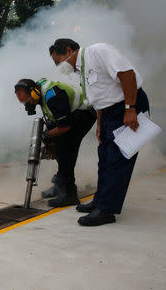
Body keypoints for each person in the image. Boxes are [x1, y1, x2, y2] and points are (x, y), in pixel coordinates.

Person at [49, 38, 150, 226]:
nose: (59, 66)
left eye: (58, 61)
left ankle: (106, 210)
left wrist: (130, 109)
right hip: (108, 113)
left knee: (117, 159)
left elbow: (127, 75)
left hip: (126, 106)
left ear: (69, 50)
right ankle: (100, 201)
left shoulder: (98, 52)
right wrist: (99, 126)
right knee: (104, 157)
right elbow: (99, 98)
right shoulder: (82, 70)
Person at [14, 78, 96, 207]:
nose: (28, 104)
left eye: (28, 100)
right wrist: (50, 140)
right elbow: (54, 120)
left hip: (84, 115)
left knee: (66, 151)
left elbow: (64, 127)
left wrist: (47, 136)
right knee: (59, 149)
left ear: (34, 92)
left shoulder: (52, 96)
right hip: (72, 116)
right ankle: (60, 184)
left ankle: (69, 195)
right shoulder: (40, 93)